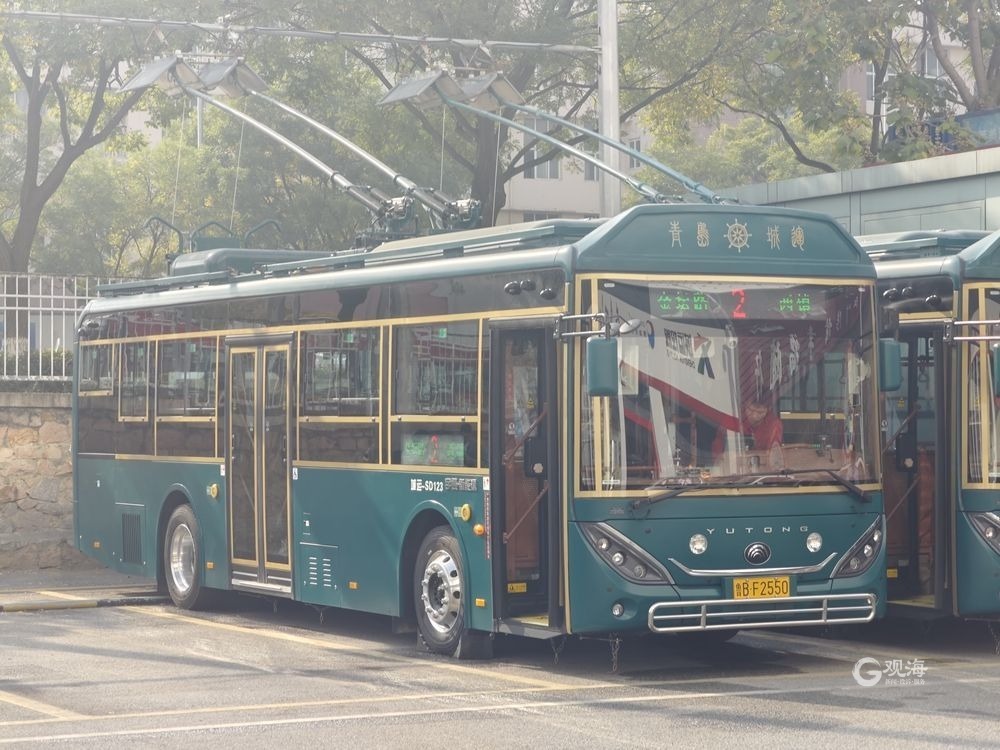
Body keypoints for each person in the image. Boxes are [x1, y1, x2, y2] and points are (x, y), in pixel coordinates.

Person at [713, 397, 784, 469]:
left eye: (760, 412)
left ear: (768, 410)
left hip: (763, 467)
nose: (754, 416)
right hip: (733, 466)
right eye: (751, 410)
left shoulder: (773, 424)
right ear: (745, 406)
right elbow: (718, 445)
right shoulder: (733, 418)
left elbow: (774, 450)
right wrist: (718, 462)